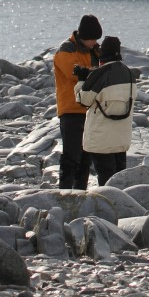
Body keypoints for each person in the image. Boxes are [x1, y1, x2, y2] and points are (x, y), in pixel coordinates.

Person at [75, 35, 139, 185]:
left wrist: (82, 80)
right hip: (121, 138)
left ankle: (108, 207)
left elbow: (83, 100)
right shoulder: (129, 74)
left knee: (106, 180)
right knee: (119, 178)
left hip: (101, 139)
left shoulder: (100, 74)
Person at [53, 14, 102, 189]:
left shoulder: (95, 50)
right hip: (71, 109)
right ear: (83, 35)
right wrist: (97, 73)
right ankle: (64, 191)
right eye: (91, 39)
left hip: (90, 109)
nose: (93, 42)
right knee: (71, 155)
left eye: (96, 39)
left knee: (85, 156)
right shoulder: (66, 49)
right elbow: (72, 73)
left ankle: (80, 191)